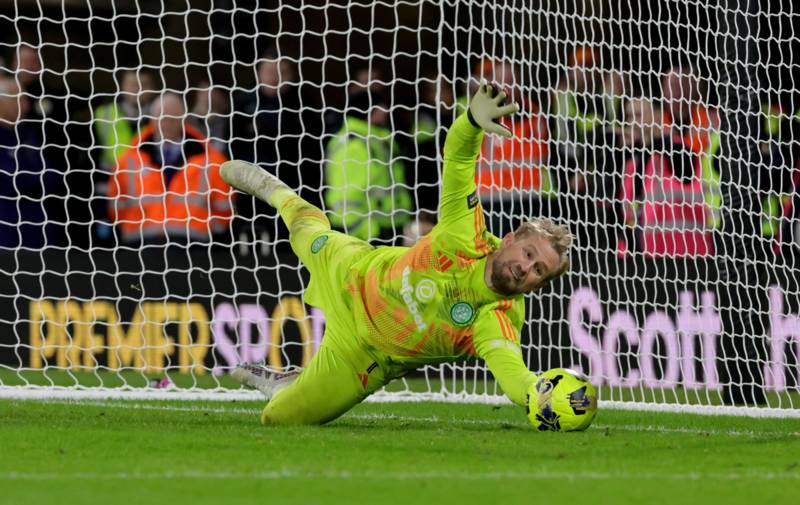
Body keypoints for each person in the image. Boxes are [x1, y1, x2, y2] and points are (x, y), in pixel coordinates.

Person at [219, 81, 572, 425]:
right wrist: (470, 123)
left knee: (279, 417)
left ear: (537, 286)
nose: (526, 268)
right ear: (509, 239)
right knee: (305, 230)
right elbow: (459, 160)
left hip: (364, 354)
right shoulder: (465, 231)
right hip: (354, 272)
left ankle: (288, 382)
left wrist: (535, 393)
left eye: (538, 270)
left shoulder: (497, 318)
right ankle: (278, 192)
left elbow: (512, 372)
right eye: (528, 254)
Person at [107, 92, 234, 246]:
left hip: (194, 245)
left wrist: (210, 232)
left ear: (183, 120)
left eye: (173, 118)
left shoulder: (212, 161)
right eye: (162, 117)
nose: (166, 123)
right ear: (152, 119)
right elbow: (116, 206)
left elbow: (225, 209)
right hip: (139, 244)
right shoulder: (128, 161)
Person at [323, 89, 412, 244]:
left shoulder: (380, 140)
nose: (386, 110)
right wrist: (372, 233)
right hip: (368, 236)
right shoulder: (354, 145)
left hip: (392, 230)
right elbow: (346, 199)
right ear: (368, 110)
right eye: (380, 106)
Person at [0, 77, 58, 248]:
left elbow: (51, 177)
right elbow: (11, 181)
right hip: (6, 233)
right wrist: (33, 179)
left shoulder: (29, 134)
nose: (26, 106)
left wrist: (30, 180)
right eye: (18, 98)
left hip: (39, 232)